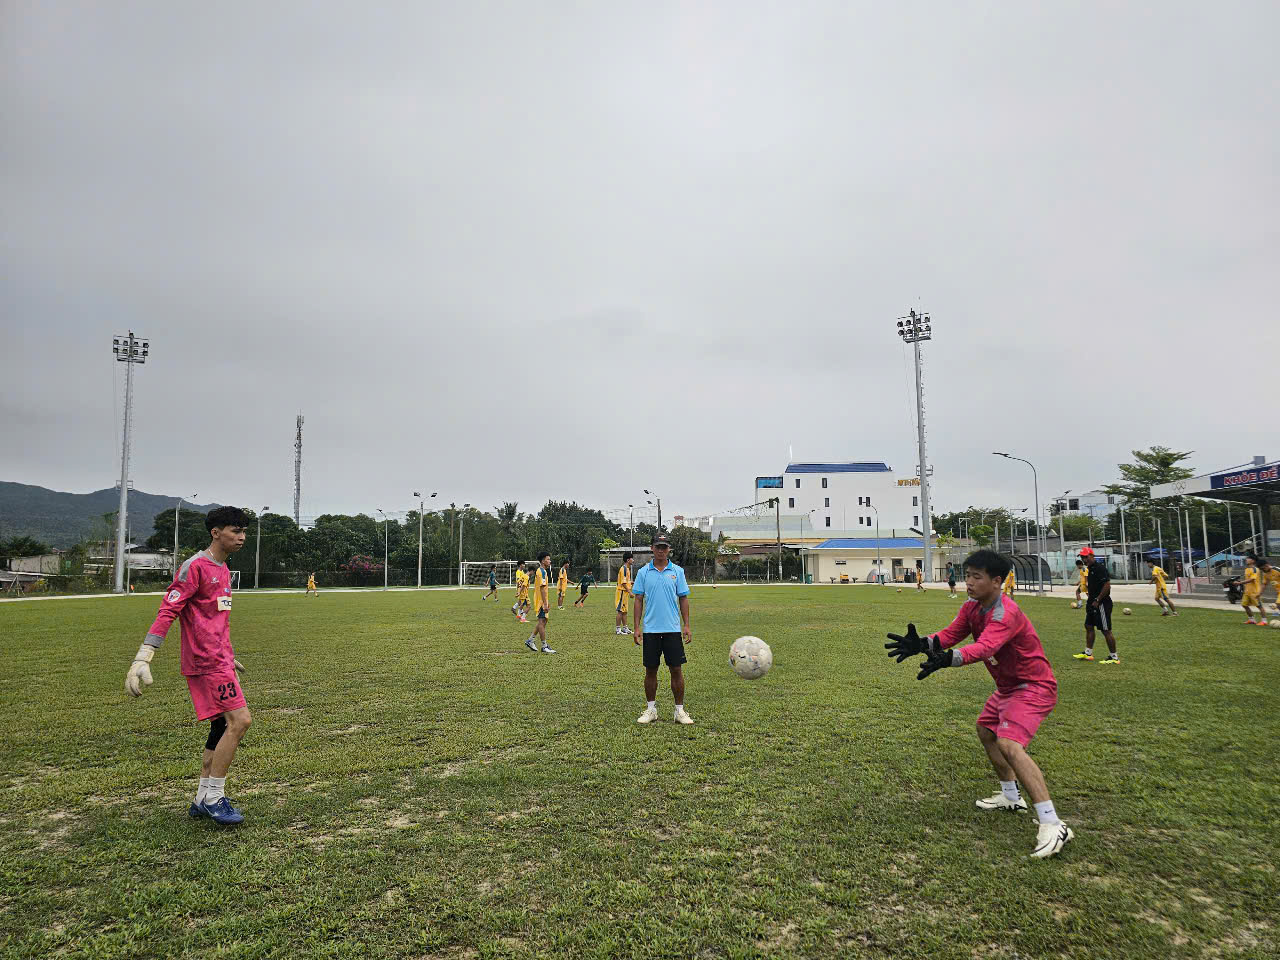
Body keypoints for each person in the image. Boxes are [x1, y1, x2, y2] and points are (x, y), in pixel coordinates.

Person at [884, 549, 1072, 858]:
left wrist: (949, 660)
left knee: (1010, 745)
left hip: (1033, 687)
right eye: (967, 575)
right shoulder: (972, 607)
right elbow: (950, 635)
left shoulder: (1005, 613)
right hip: (1009, 688)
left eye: (976, 577)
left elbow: (985, 647)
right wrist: (921, 645)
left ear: (997, 581)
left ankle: (1053, 823)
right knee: (986, 731)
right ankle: (1011, 796)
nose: (968, 582)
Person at [123, 506, 252, 826]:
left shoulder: (223, 569)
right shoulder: (194, 567)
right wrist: (144, 655)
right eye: (235, 531)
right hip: (206, 663)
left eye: (244, 532)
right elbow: (168, 611)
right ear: (216, 533)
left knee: (221, 726)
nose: (242, 537)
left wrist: (228, 654)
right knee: (240, 721)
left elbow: (216, 620)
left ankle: (200, 798)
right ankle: (214, 798)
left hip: (219, 659)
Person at [632, 534, 693, 725]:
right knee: (651, 670)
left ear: (669, 549)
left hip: (672, 629)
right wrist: (636, 627)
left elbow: (683, 598)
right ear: (652, 548)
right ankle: (651, 710)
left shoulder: (677, 571)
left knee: (676, 669)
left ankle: (679, 711)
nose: (661, 550)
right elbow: (638, 599)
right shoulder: (643, 572)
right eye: (658, 546)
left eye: (664, 547)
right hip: (650, 630)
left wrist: (687, 625)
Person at [1073, 547, 1119, 663]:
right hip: (1092, 602)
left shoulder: (1100, 568)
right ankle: (1088, 653)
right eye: (1082, 557)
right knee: (1088, 626)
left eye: (1086, 557)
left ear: (1092, 556)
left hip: (1102, 603)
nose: (1084, 559)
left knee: (1105, 630)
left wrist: (1098, 600)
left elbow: (1107, 586)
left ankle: (1114, 657)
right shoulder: (1089, 569)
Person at [524, 552, 556, 654]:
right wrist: (545, 603)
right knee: (542, 622)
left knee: (543, 621)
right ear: (542, 561)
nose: (549, 561)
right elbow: (542, 589)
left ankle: (530, 640)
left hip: (542, 600)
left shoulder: (542, 571)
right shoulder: (541, 571)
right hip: (541, 601)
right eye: (548, 559)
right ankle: (544, 646)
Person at [1240, 556, 1266, 625]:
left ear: (1253, 561)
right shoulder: (1246, 569)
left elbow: (1252, 579)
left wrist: (1240, 583)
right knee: (1244, 605)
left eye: (1248, 558)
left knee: (1259, 606)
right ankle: (1252, 620)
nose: (1246, 559)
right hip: (1247, 591)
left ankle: (1264, 621)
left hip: (1255, 592)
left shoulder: (1255, 569)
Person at [615, 552, 634, 635]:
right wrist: (630, 592)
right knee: (620, 611)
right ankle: (618, 629)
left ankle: (625, 628)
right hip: (622, 592)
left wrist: (630, 582)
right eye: (632, 559)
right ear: (628, 560)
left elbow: (626, 581)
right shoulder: (624, 569)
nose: (633, 560)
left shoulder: (627, 569)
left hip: (625, 593)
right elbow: (623, 583)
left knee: (625, 611)